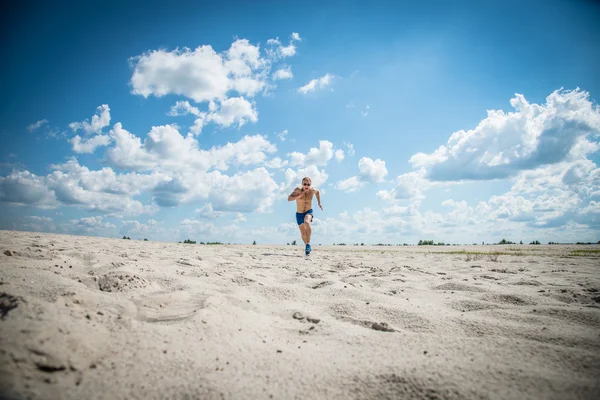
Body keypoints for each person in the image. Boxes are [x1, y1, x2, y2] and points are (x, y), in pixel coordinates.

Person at [288, 177, 323, 255]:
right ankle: (307, 246)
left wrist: (319, 202)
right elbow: (289, 199)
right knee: (303, 234)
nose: (307, 185)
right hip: (299, 213)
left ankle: (308, 243)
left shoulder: (312, 191)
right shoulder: (298, 190)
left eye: (308, 184)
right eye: (305, 184)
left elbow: (317, 192)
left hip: (308, 211)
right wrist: (298, 196)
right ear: (302, 184)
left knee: (307, 222)